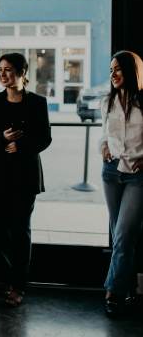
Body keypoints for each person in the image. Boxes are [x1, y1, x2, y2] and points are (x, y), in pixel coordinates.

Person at [0, 52, 51, 307]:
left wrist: (20, 147)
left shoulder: (37, 103)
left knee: (21, 231)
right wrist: (2, 138)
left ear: (23, 73)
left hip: (25, 176)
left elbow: (45, 138)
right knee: (1, 232)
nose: (3, 74)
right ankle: (7, 279)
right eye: (0, 69)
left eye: (8, 70)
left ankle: (18, 285)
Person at [99, 50, 143, 317]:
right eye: (111, 70)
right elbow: (105, 134)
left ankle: (112, 291)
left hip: (137, 175)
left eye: (118, 69)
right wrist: (103, 147)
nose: (113, 75)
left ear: (130, 71)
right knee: (120, 236)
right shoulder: (108, 101)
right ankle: (129, 288)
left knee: (125, 234)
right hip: (111, 172)